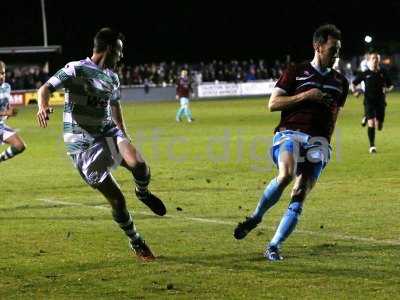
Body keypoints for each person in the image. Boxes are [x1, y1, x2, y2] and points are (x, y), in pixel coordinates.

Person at [36, 28, 166, 261]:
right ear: (109, 49)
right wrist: (43, 106)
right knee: (117, 200)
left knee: (139, 164)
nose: (121, 56)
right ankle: (136, 240)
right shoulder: (76, 68)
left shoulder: (112, 77)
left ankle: (143, 193)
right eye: (120, 51)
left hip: (107, 130)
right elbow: (45, 88)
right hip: (81, 142)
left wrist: (123, 136)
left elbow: (115, 107)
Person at [234, 24, 349, 261]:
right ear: (318, 47)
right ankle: (256, 217)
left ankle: (273, 245)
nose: (336, 54)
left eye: (338, 49)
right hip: (290, 133)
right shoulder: (295, 71)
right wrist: (307, 95)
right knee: (286, 175)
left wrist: (326, 142)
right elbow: (273, 104)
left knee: (299, 193)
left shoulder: (341, 82)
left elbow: (335, 114)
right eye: (332, 49)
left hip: (319, 142)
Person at [352, 52, 393, 154]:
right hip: (369, 101)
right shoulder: (365, 73)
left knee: (379, 124)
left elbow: (391, 85)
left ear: (379, 60)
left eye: (376, 58)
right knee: (371, 123)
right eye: (373, 58)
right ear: (369, 60)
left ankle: (374, 119)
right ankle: (372, 146)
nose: (375, 60)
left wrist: (387, 90)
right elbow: (353, 83)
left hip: (381, 101)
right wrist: (355, 92)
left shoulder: (383, 72)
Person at [0, 61, 26, 163]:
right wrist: (6, 113)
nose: (1, 76)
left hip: (1, 125)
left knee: (20, 145)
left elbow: (6, 104)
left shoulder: (6, 87)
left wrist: (9, 109)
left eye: (3, 73)